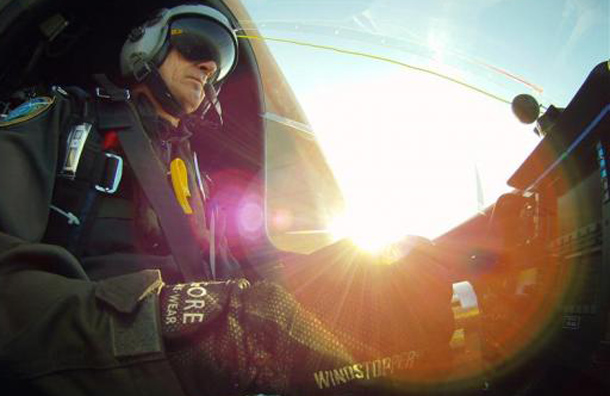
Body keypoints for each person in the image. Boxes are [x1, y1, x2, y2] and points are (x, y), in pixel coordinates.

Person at [0, 3, 454, 396]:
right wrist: (162, 328)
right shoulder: (62, 119)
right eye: (199, 46)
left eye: (218, 62)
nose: (209, 67)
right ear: (148, 44)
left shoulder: (199, 180)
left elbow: (259, 290)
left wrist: (358, 278)